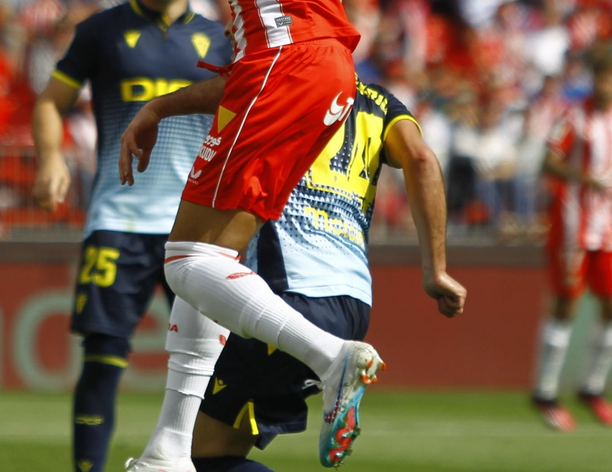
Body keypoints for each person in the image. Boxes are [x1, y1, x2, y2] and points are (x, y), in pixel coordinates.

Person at [36, 0, 422, 471]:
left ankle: (330, 357)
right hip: (326, 70)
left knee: (185, 261)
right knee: (214, 263)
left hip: (282, 58)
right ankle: (169, 448)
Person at [118, 71, 465, 472]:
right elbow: (422, 159)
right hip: (352, 305)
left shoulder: (287, 76)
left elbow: (237, 85)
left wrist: (157, 108)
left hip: (285, 297)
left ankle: (334, 361)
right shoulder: (382, 104)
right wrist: (436, 270)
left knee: (195, 455)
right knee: (211, 450)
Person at [31, 0, 232, 472]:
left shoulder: (222, 40)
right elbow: (51, 102)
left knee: (215, 367)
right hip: (117, 218)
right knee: (102, 357)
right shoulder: (100, 32)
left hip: (196, 228)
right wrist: (50, 158)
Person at [531, 52, 612, 432]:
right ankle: (545, 392)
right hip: (572, 224)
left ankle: (592, 387)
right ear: (594, 81)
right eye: (603, 79)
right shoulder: (574, 117)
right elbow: (548, 161)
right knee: (566, 305)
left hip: (608, 228)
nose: (608, 87)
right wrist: (583, 177)